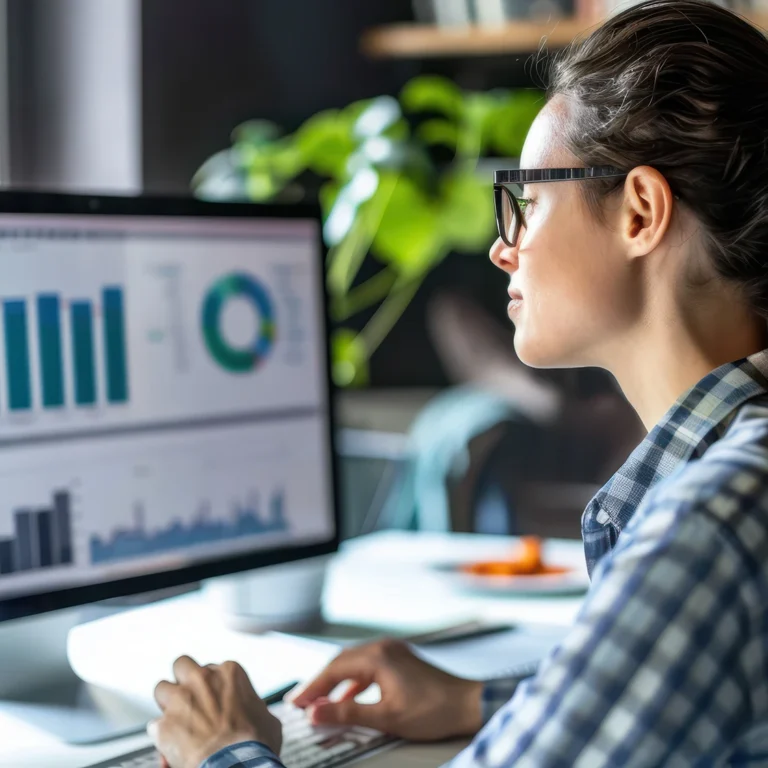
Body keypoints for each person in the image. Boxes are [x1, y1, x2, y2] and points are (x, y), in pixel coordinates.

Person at [147, 1, 768, 765]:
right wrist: (479, 701)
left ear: (640, 212)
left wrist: (225, 749)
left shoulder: (711, 522)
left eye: (529, 203)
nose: (504, 250)